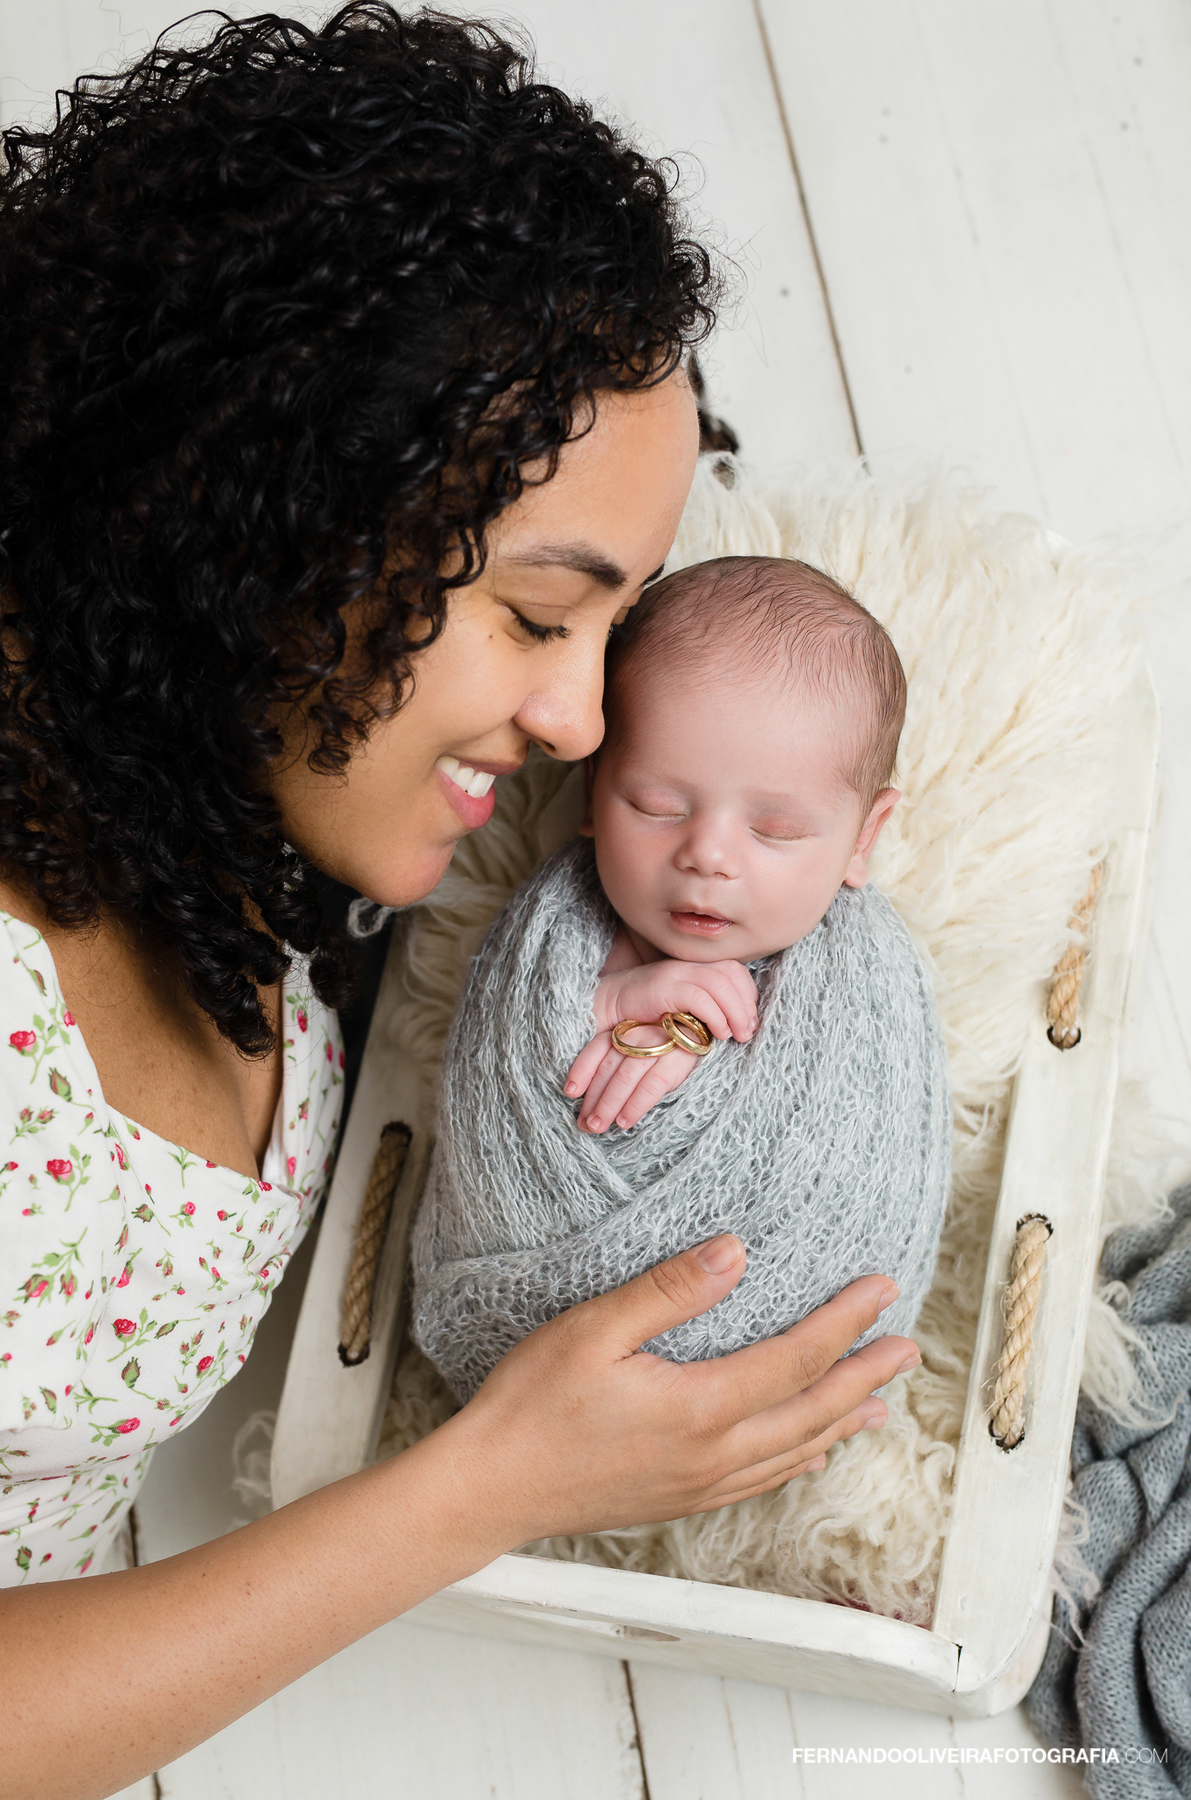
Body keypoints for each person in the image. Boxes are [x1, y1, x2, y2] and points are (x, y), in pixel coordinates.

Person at [0, 8, 920, 1794]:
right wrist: (495, 1483)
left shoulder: (218, 810)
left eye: (611, 628)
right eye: (532, 616)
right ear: (279, 520)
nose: (583, 719)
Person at [411, 555, 949, 1405]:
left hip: (781, 1359)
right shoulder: (556, 936)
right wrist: (613, 1003)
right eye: (658, 807)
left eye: (775, 830)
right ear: (593, 793)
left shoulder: (867, 977)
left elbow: (877, 1164)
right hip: (534, 1384)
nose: (707, 855)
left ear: (862, 837)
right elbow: (498, 1074)